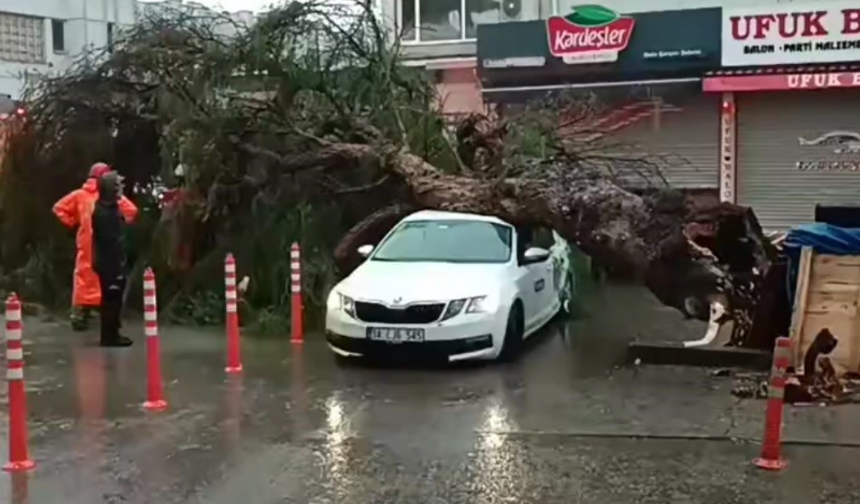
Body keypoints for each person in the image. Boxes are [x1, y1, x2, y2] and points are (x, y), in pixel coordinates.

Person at [53, 163, 138, 330]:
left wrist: (73, 223)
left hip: (86, 243)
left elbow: (59, 208)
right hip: (107, 244)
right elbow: (131, 212)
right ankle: (108, 317)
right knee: (107, 278)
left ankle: (79, 315)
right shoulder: (110, 197)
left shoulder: (79, 195)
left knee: (83, 277)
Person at [92, 171, 133, 347]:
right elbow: (110, 242)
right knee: (111, 299)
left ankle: (113, 332)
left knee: (114, 298)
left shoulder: (109, 208)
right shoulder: (104, 213)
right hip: (109, 263)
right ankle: (109, 336)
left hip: (112, 261)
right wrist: (117, 264)